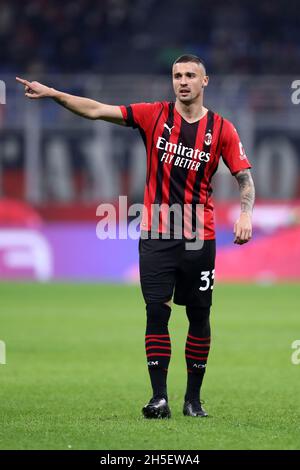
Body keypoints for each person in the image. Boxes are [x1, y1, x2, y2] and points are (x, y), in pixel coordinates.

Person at [16, 54, 255, 419]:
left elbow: (244, 178)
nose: (183, 81)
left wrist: (245, 213)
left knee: (199, 315)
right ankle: (159, 398)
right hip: (157, 235)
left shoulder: (222, 129)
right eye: (177, 75)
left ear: (205, 81)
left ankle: (193, 400)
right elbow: (96, 109)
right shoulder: (153, 115)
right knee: (156, 313)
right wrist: (54, 94)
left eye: (191, 75)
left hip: (198, 238)